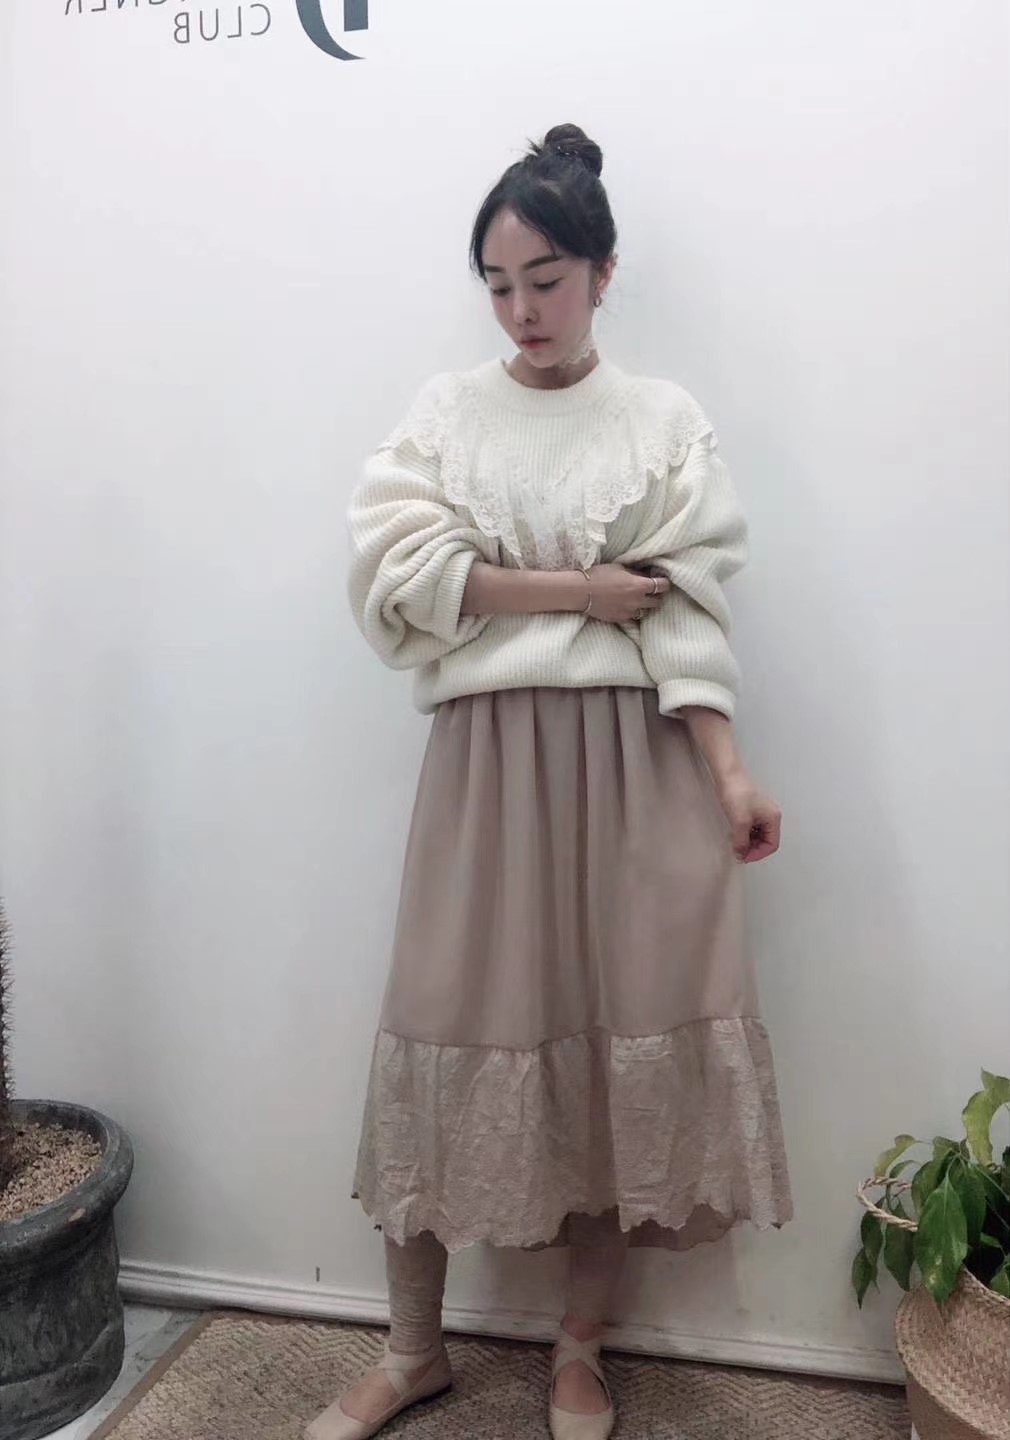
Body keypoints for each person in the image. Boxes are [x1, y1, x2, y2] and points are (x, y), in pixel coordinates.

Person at [305, 122, 793, 1440]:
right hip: (486, 768)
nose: (522, 309)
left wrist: (730, 773)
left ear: (603, 272)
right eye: (498, 284)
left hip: (637, 766)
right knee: (442, 1027)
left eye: (547, 279)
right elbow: (402, 577)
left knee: (608, 1046)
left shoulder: (660, 422)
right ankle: (412, 1350)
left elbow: (685, 611)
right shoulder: (444, 416)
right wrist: (579, 589)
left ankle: (580, 1351)